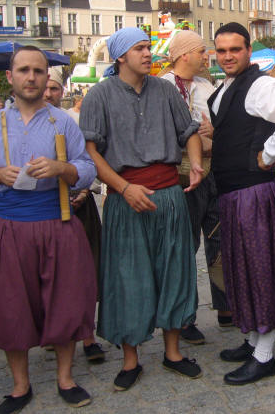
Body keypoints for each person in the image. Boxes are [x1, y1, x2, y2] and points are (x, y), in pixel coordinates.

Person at [0, 46, 98, 412]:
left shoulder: (63, 122)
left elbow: (87, 169)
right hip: (8, 225)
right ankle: (20, 386)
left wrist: (61, 169)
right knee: (10, 306)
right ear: (10, 77)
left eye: (38, 71)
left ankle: (65, 377)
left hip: (57, 221)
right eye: (23, 70)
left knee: (65, 300)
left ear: (45, 76)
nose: (31, 77)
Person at [79, 27, 204, 391]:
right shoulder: (98, 96)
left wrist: (194, 162)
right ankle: (130, 359)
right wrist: (122, 188)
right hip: (125, 196)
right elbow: (91, 152)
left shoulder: (166, 90)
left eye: (149, 47)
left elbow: (189, 132)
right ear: (121, 56)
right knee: (127, 277)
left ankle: (173, 353)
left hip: (168, 194)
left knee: (175, 272)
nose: (148, 54)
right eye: (140, 48)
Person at [208, 22, 275, 385]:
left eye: (235, 49)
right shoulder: (225, 89)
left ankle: (265, 356)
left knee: (261, 270)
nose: (228, 56)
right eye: (221, 51)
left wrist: (268, 155)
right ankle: (252, 341)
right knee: (241, 270)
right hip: (234, 194)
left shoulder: (262, 85)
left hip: (255, 194)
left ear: (248, 50)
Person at [159, 29, 233, 339]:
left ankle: (226, 306)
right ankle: (185, 316)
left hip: (212, 173)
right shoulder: (160, 88)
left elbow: (224, 129)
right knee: (182, 246)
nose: (208, 56)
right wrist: (191, 141)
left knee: (219, 239)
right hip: (177, 178)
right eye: (202, 50)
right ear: (184, 54)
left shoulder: (208, 87)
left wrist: (212, 137)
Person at [43, 67, 105, 363]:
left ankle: (88, 335)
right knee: (51, 275)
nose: (48, 94)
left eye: (54, 88)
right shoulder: (17, 122)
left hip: (81, 208)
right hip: (46, 211)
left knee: (86, 271)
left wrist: (85, 190)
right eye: (46, 88)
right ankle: (55, 332)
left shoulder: (72, 120)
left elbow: (89, 160)